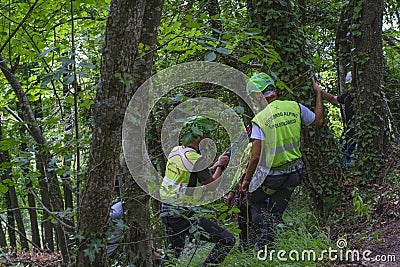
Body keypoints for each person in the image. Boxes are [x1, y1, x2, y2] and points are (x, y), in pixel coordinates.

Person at [241, 72, 323, 250]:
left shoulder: (260, 120)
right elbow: (318, 120)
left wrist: (246, 181)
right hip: (294, 174)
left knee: (253, 199)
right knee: (276, 211)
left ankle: (260, 241)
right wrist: (318, 93)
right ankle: (265, 244)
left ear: (258, 95)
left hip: (272, 176)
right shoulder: (295, 107)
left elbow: (255, 157)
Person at [160, 116, 235, 266]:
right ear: (198, 137)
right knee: (227, 240)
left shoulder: (176, 151)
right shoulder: (196, 159)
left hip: (168, 210)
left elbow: (194, 174)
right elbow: (211, 186)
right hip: (182, 214)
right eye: (206, 137)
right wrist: (220, 166)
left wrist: (213, 167)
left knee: (172, 255)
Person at [321, 71, 356, 166]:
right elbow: (333, 99)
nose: (351, 88)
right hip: (348, 136)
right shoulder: (347, 96)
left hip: (360, 139)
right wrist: (320, 92)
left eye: (353, 85)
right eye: (349, 85)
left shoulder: (364, 98)